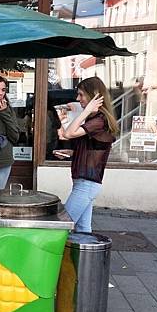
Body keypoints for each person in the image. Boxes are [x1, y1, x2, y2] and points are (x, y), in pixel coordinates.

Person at [58, 77, 118, 233]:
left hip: (87, 183)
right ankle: (83, 258)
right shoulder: (96, 120)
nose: (78, 99)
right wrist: (71, 152)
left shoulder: (99, 120)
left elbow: (69, 133)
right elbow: (93, 149)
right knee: (83, 229)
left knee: (61, 226)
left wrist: (85, 111)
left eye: (81, 95)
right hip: (84, 182)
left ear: (95, 96)